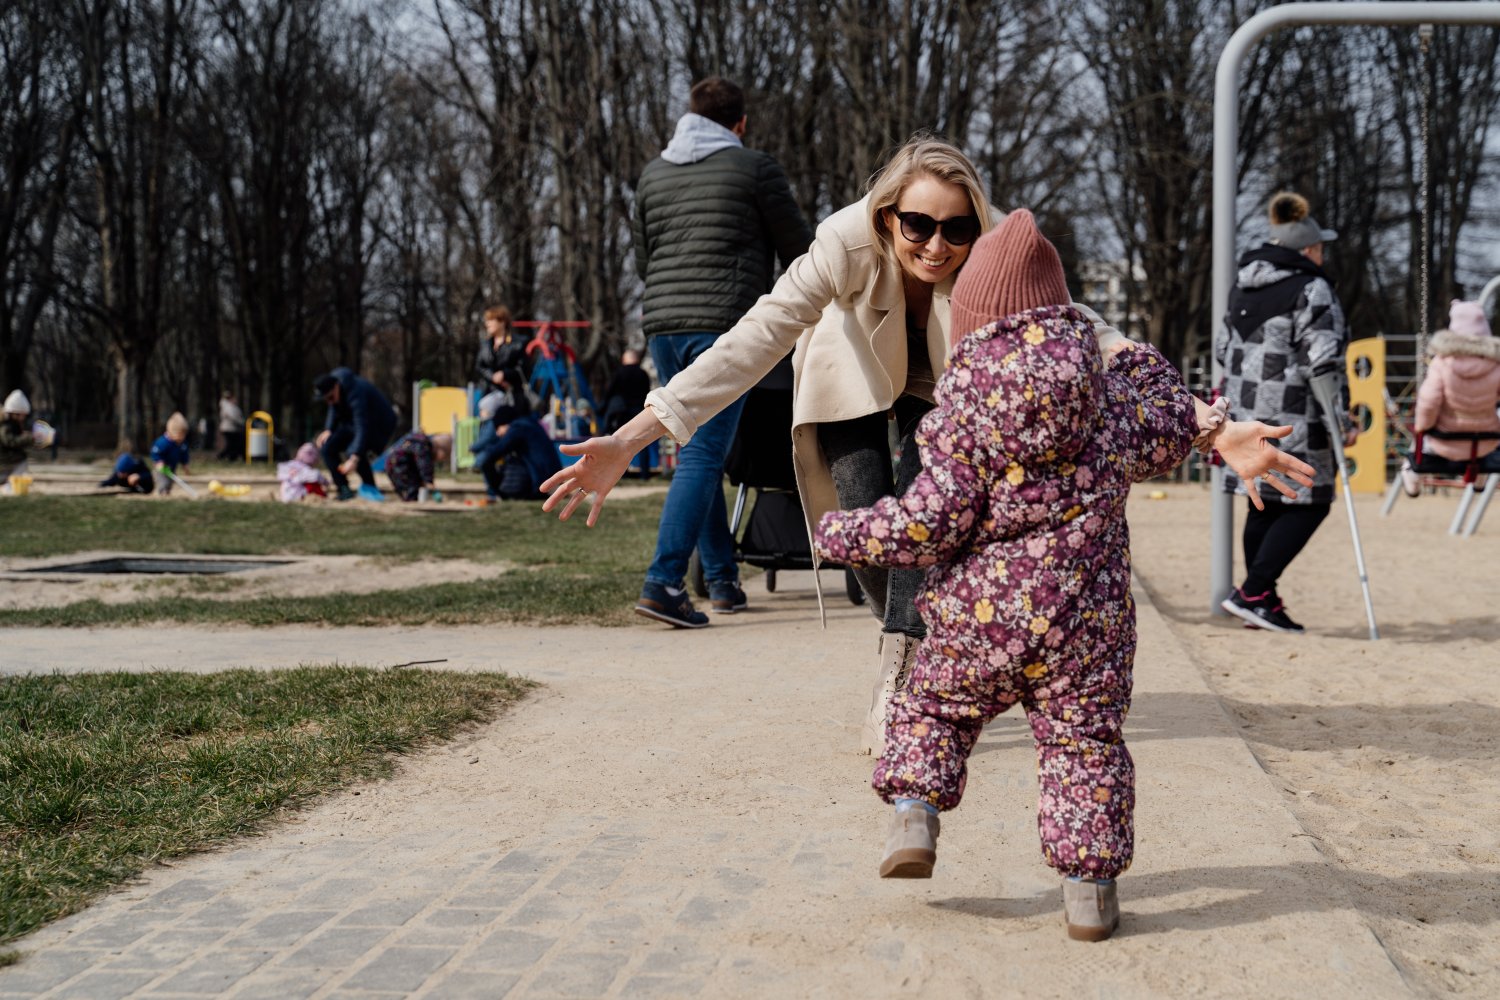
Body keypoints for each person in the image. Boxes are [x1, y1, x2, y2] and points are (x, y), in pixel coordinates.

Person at [541, 135, 1314, 756]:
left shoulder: (997, 253)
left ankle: (901, 672)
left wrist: (1211, 425)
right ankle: (919, 637)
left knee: (923, 527)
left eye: (955, 228)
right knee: (868, 531)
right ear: (887, 219)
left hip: (947, 393)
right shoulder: (841, 244)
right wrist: (638, 433)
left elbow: (1093, 334)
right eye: (918, 226)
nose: (937, 246)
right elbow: (758, 337)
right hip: (852, 376)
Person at [814, 210, 1195, 942]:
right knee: (1084, 744)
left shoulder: (962, 411)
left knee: (932, 709)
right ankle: (1088, 893)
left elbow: (928, 522)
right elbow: (1174, 422)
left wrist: (846, 530)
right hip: (1087, 627)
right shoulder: (1109, 405)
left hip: (978, 623)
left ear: (972, 325)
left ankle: (915, 819)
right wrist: (1140, 361)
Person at [627, 75, 814, 628]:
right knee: (705, 454)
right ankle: (663, 582)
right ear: (740, 123)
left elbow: (644, 261)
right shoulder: (755, 169)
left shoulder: (652, 174)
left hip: (662, 325)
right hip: (725, 328)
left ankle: (723, 581)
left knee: (690, 447)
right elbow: (802, 254)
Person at [1217, 192, 1356, 634]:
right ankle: (1255, 591)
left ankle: (1262, 600)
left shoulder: (1242, 285)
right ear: (1308, 249)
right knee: (1310, 502)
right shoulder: (1312, 289)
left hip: (1246, 416)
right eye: (1320, 246)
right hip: (1297, 416)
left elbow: (1223, 349)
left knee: (1263, 503)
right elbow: (1324, 362)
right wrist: (1341, 420)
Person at [1398, 299, 1500, 496]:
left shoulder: (1442, 363)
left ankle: (1412, 481)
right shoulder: (1496, 365)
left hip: (1444, 442)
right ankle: (1480, 476)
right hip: (1486, 442)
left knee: (1419, 439)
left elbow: (1428, 403)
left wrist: (1422, 427)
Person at [314, 368, 397, 501]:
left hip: (379, 423)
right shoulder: (335, 391)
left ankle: (370, 486)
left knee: (354, 451)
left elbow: (361, 425)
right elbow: (333, 409)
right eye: (326, 400)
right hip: (354, 423)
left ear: (336, 387)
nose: (329, 402)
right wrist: (329, 429)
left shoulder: (356, 392)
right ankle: (344, 489)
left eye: (330, 397)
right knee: (327, 448)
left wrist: (354, 457)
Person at [470, 403, 561, 500]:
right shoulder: (529, 423)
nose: (497, 433)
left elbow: (497, 450)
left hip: (541, 479)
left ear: (504, 422)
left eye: (498, 428)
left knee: (487, 460)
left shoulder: (518, 428)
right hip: (549, 475)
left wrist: (481, 456)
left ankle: (496, 494)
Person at [475, 305, 533, 413]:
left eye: (491, 320)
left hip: (513, 394)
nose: (487, 324)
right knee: (488, 425)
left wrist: (505, 375)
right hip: (489, 393)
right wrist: (492, 376)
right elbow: (480, 366)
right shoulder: (486, 344)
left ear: (502, 322)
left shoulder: (518, 343)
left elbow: (524, 368)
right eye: (487, 320)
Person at [385, 431, 452, 501]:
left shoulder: (418, 442)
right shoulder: (424, 448)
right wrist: (428, 481)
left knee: (408, 485)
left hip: (393, 464)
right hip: (400, 466)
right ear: (440, 450)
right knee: (411, 486)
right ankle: (410, 501)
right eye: (446, 455)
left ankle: (407, 499)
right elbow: (425, 465)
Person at [1, 390, 36, 492]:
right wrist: (29, 438)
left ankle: (10, 483)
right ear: (15, 413)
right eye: (23, 414)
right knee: (22, 461)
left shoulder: (9, 423)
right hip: (5, 460)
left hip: (6, 459)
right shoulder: (6, 425)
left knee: (22, 459)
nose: (24, 417)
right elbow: (9, 441)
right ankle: (9, 485)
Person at [150, 412, 192, 494]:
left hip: (172, 466)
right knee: (163, 481)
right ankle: (163, 492)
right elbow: (156, 452)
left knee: (170, 482)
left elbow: (184, 455)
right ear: (170, 432)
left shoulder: (182, 444)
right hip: (162, 467)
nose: (181, 438)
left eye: (183, 435)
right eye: (179, 435)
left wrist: (185, 465)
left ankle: (167, 491)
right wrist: (159, 461)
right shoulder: (163, 443)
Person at [217, 391, 245, 460]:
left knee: (233, 444)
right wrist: (242, 422)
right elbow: (233, 417)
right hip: (229, 428)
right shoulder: (227, 406)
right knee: (231, 444)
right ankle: (222, 456)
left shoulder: (229, 406)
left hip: (232, 428)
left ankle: (232, 457)